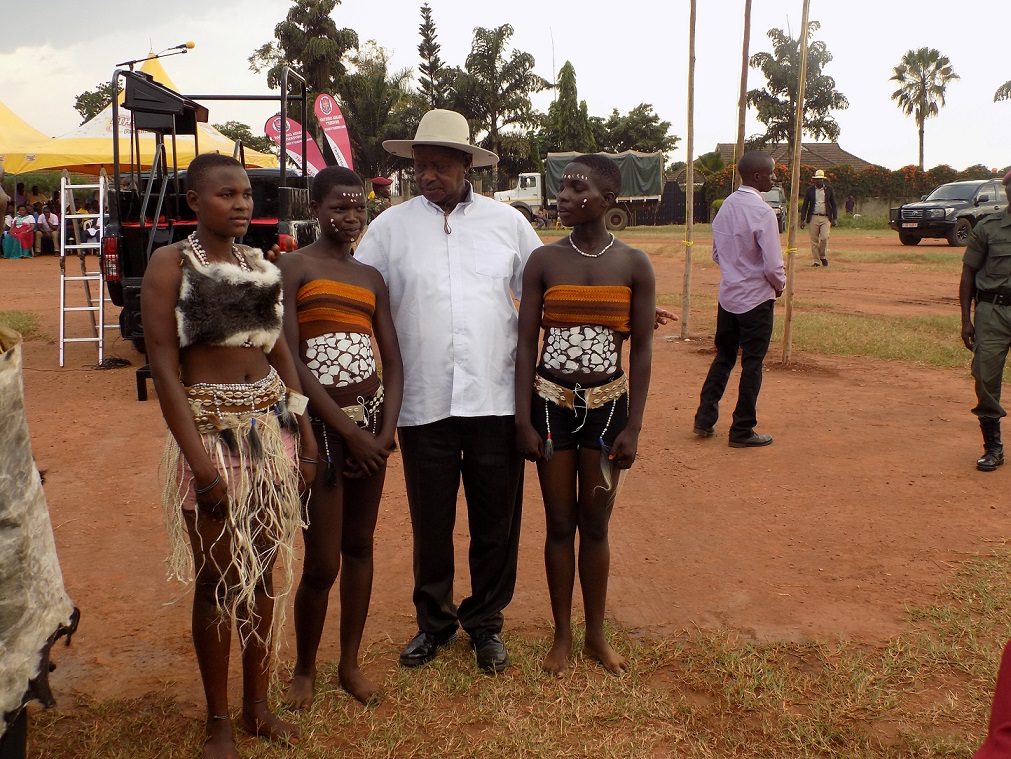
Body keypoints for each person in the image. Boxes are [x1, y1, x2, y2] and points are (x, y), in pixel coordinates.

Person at [354, 109, 543, 674]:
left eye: (440, 165)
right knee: (430, 521)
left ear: (467, 165)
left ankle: (485, 622)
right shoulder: (390, 227)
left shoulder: (508, 223)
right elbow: (355, 289)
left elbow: (544, 288)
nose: (428, 175)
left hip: (495, 397)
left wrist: (618, 311)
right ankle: (434, 623)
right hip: (422, 399)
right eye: (420, 165)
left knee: (495, 520)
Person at [141, 153, 315, 758]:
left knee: (263, 573)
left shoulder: (260, 265)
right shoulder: (171, 264)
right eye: (226, 194)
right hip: (211, 436)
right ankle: (219, 718)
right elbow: (165, 368)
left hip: (270, 433)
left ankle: (256, 706)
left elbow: (281, 355)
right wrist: (199, 463)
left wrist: (305, 432)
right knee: (218, 580)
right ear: (194, 201)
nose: (242, 204)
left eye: (246, 194)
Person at [515, 154, 655, 675]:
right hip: (550, 408)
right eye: (563, 188)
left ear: (607, 200)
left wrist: (633, 427)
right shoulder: (544, 260)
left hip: (608, 410)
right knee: (559, 524)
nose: (564, 197)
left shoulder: (634, 264)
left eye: (577, 189)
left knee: (595, 526)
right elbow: (525, 344)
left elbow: (642, 350)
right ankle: (562, 635)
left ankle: (596, 634)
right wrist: (522, 419)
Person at [276, 166, 404, 708]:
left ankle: (349, 664)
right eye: (339, 207)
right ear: (315, 209)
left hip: (370, 429)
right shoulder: (293, 267)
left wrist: (384, 434)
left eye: (358, 209)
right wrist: (348, 432)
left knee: (359, 547)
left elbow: (392, 360)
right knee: (323, 561)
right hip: (323, 431)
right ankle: (305, 668)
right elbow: (289, 360)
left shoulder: (370, 277)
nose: (351, 217)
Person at [693, 152, 786, 448]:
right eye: (771, 173)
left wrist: (735, 272)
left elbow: (716, 254)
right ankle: (742, 429)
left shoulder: (726, 207)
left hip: (728, 297)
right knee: (752, 363)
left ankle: (704, 418)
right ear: (757, 176)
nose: (774, 178)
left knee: (724, 357)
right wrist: (779, 286)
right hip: (756, 300)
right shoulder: (763, 212)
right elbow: (773, 266)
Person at [959, 170, 1011, 472]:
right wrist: (966, 320)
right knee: (985, 378)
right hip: (992, 313)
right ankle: (993, 447)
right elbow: (968, 273)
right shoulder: (988, 227)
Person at [799, 169, 837, 267]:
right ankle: (816, 261)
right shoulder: (810, 190)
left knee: (824, 238)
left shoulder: (829, 189)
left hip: (825, 217)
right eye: (817, 179)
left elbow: (833, 204)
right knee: (814, 240)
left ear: (823, 180)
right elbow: (805, 205)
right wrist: (802, 219)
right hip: (814, 217)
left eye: (821, 179)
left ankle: (822, 256)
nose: (819, 181)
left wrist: (834, 218)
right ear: (814, 180)